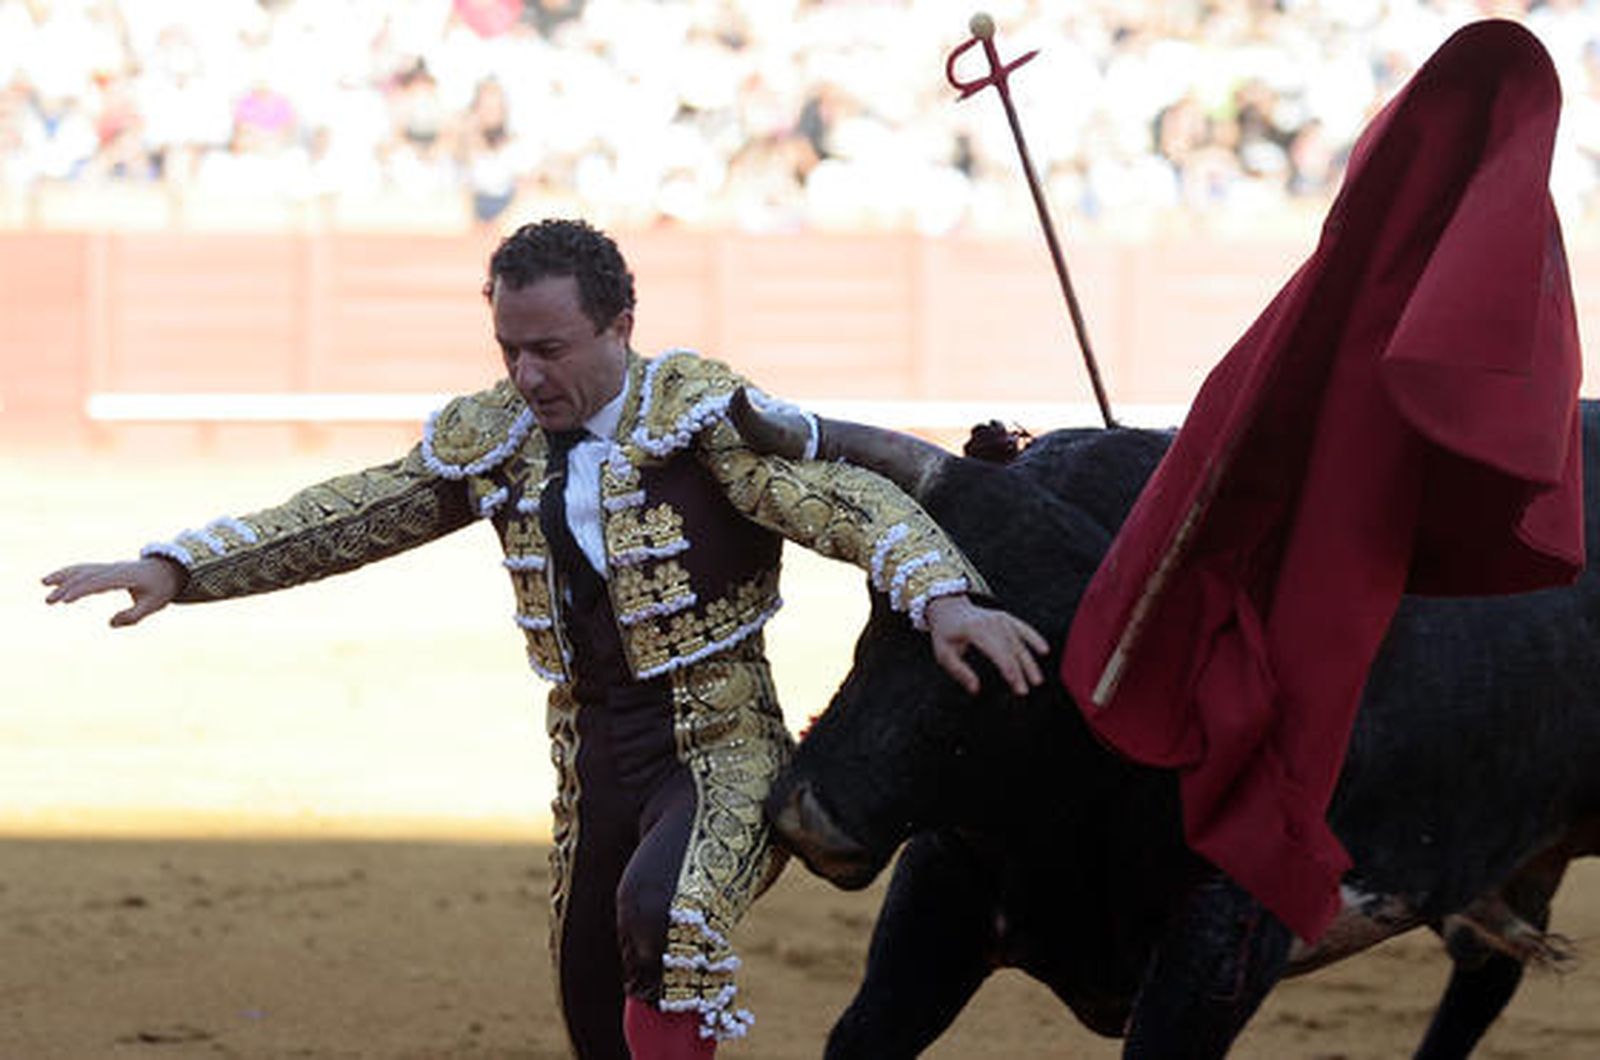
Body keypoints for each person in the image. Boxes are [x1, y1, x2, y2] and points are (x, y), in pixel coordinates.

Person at [42, 218, 1047, 1060]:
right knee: (591, 1005)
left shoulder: (705, 422)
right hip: (590, 755)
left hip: (720, 745)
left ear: (619, 326)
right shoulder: (495, 437)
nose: (525, 374)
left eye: (550, 348)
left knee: (670, 917)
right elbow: (346, 515)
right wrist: (177, 567)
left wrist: (944, 598)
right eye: (508, 349)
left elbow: (851, 503)